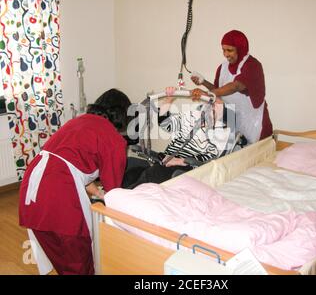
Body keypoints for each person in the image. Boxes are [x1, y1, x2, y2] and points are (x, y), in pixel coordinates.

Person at [18, 88, 131, 275]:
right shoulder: (113, 138)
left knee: (63, 263)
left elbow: (73, 165)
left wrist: (97, 193)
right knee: (80, 262)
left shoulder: (77, 122)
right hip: (59, 197)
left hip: (31, 192)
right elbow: (114, 191)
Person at [122, 87, 238, 189]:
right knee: (131, 171)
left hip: (186, 169)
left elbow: (209, 158)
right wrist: (169, 99)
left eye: (215, 106)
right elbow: (165, 123)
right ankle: (115, 201)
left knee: (153, 174)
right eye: (210, 104)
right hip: (165, 162)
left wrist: (179, 161)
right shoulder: (192, 117)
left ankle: (120, 201)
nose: (211, 106)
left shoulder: (219, 132)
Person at [191, 30, 273, 144]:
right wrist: (203, 82)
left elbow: (236, 86)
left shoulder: (253, 65)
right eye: (223, 50)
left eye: (230, 50)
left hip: (256, 126)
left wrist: (207, 94)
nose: (226, 54)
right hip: (233, 123)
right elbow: (219, 90)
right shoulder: (222, 67)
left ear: (240, 49)